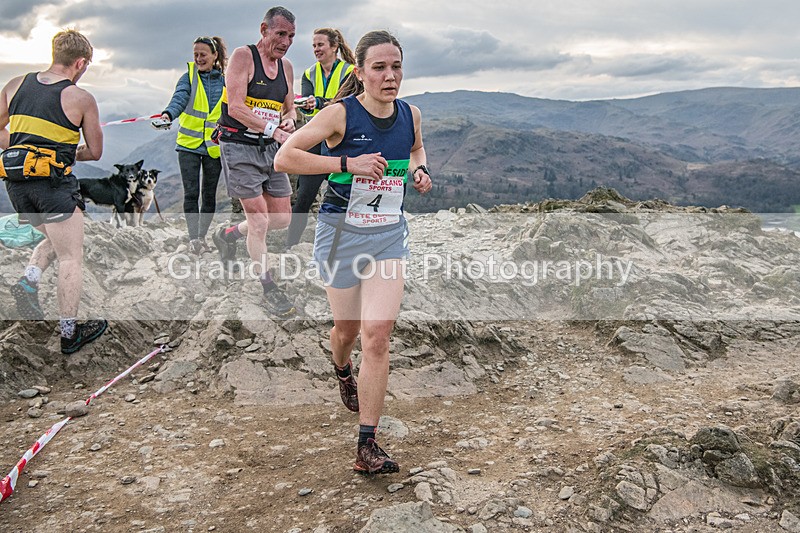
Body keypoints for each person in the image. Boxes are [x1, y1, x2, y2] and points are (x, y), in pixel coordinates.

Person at [274, 30, 433, 474]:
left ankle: (367, 444)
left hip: (388, 236)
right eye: (379, 68)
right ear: (360, 72)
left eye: (396, 67)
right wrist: (347, 163)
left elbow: (416, 149)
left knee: (376, 335)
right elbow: (285, 158)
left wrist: (420, 170)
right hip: (340, 235)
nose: (390, 76)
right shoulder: (340, 115)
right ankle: (342, 368)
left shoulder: (411, 115)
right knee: (346, 332)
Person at [0, 29, 107, 354]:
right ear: (80, 62)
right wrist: (62, 153)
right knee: (71, 256)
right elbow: (95, 151)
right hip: (53, 186)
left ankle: (28, 282)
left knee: (57, 239)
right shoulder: (81, 98)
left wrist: (24, 150)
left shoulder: (15, 85)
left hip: (17, 187)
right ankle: (69, 333)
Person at [212, 6, 298, 317]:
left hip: (270, 149)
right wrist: (274, 129)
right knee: (260, 222)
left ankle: (229, 234)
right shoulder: (243, 57)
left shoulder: (286, 67)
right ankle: (269, 287)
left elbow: (290, 108)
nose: (285, 42)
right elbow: (235, 107)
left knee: (282, 218)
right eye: (280, 34)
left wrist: (289, 120)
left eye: (291, 36)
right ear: (264, 30)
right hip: (239, 147)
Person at [157, 36, 227, 255]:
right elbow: (179, 98)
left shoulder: (226, 80)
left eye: (203, 55)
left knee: (209, 195)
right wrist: (168, 115)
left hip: (214, 147)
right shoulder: (188, 76)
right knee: (191, 193)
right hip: (188, 145)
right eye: (195, 55)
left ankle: (202, 236)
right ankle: (193, 238)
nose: (198, 59)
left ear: (215, 55)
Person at [286, 28, 355, 247]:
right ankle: (290, 246)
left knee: (346, 197)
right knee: (303, 198)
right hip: (315, 141)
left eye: (320, 45)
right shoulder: (309, 73)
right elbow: (308, 105)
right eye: (314, 45)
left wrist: (318, 102)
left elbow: (348, 101)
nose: (316, 49)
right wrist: (306, 105)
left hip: (343, 141)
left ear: (334, 46)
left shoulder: (350, 71)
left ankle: (347, 244)